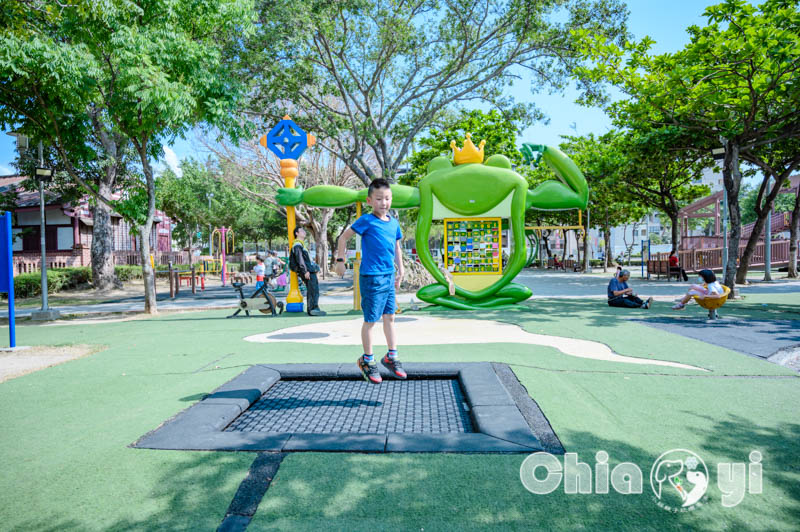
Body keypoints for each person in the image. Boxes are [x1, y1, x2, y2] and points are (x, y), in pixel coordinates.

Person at [335, 178, 405, 384]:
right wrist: (341, 261)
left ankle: (391, 356)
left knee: (390, 317)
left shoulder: (393, 223)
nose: (384, 203)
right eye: (379, 199)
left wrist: (400, 270)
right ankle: (367, 360)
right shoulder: (366, 220)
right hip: (372, 277)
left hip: (388, 276)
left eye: (387, 198)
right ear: (369, 200)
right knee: (371, 321)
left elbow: (397, 247)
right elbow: (343, 238)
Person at [289, 227, 326, 316]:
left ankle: (315, 308)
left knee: (314, 288)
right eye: (302, 231)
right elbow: (300, 259)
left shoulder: (301, 244)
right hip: (306, 270)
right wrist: (305, 271)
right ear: (297, 233)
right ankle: (312, 309)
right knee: (312, 289)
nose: (304, 232)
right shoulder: (297, 244)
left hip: (308, 270)